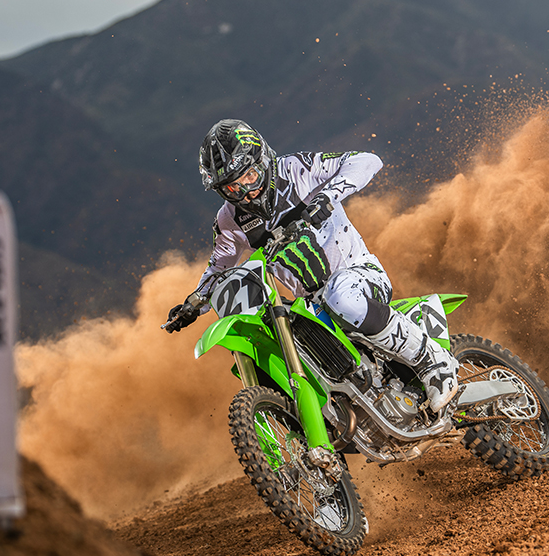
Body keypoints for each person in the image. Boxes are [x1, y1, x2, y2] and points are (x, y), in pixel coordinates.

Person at [164, 119, 459, 416]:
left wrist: (326, 198)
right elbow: (218, 268)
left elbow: (367, 160)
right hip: (311, 303)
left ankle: (434, 362)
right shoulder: (229, 220)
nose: (246, 192)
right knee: (280, 338)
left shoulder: (297, 170)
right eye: (232, 187)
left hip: (358, 273)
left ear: (263, 159)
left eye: (250, 176)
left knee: (340, 297)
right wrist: (193, 304)